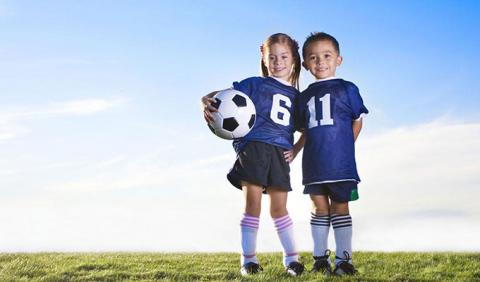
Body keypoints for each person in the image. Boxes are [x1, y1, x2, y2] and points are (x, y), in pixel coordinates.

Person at [201, 33, 305, 277]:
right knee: (253, 206)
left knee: (280, 209)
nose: (277, 62)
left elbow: (308, 130)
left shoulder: (297, 98)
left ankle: (292, 260)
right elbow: (219, 97)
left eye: (283, 57)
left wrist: (297, 149)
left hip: (280, 154)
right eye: (272, 57)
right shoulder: (253, 84)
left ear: (293, 60)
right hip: (253, 149)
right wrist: (203, 100)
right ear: (263, 57)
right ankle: (248, 260)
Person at [294, 32, 369, 276]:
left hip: (341, 165)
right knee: (318, 208)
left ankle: (343, 261)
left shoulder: (348, 89)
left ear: (339, 59)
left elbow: (357, 122)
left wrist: (346, 146)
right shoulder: (303, 97)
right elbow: (304, 131)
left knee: (341, 207)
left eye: (327, 55)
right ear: (305, 64)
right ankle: (320, 259)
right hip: (314, 164)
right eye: (313, 57)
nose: (321, 61)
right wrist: (294, 150)